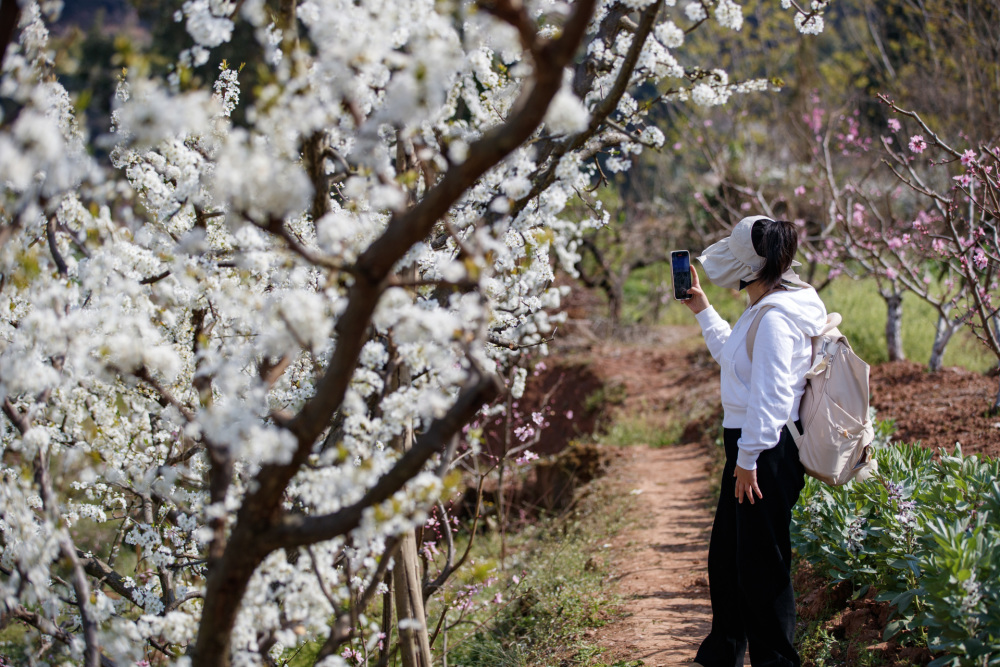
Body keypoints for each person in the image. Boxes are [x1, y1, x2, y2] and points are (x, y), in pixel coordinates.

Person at [681, 215, 828, 667]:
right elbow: (734, 358)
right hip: (749, 448)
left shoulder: (776, 319)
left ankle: (775, 661)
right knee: (728, 558)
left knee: (762, 567)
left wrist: (748, 460)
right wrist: (703, 310)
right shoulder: (764, 306)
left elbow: (772, 398)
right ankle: (722, 652)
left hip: (764, 450)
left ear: (748, 266)